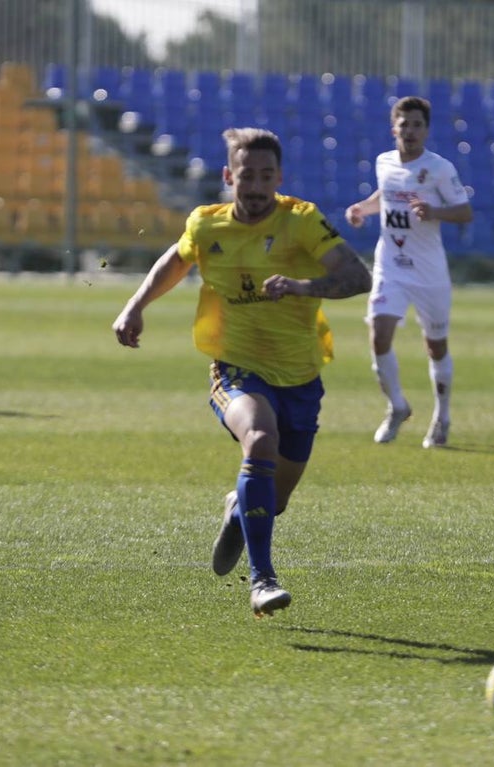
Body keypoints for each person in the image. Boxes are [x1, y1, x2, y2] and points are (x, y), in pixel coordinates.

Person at [112, 127, 372, 617]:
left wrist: (299, 286)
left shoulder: (302, 221)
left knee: (273, 501)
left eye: (265, 176)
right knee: (258, 437)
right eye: (245, 176)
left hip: (299, 378)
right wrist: (135, 305)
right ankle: (262, 580)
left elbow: (358, 276)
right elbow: (176, 258)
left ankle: (238, 508)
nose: (254, 187)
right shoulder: (207, 225)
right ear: (230, 176)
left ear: (279, 177)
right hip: (235, 367)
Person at [346, 95, 473, 448]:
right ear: (394, 129)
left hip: (429, 271)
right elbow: (384, 196)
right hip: (391, 265)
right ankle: (397, 406)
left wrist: (434, 212)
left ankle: (442, 416)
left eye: (418, 125)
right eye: (405, 124)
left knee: (435, 346)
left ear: (426, 130)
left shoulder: (440, 169)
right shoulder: (384, 163)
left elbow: (464, 212)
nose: (411, 130)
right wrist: (362, 209)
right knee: (379, 333)